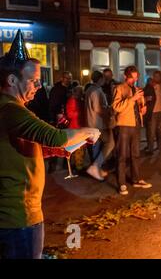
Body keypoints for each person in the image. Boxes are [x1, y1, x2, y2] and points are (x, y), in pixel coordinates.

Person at [0, 30, 100, 259]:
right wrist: (89, 131)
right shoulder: (10, 110)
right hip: (18, 216)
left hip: (17, 214)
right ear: (12, 80)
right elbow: (55, 136)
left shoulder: (10, 109)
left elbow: (21, 145)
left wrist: (53, 149)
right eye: (33, 80)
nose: (38, 86)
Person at [112, 66, 151, 195]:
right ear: (125, 76)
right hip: (123, 126)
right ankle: (122, 183)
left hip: (136, 125)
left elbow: (141, 106)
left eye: (136, 78)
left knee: (136, 154)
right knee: (122, 155)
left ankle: (136, 179)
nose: (134, 80)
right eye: (132, 77)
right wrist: (132, 99)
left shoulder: (137, 89)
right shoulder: (119, 88)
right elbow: (116, 107)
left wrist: (142, 109)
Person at [85, 71, 115, 181]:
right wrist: (108, 111)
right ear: (100, 79)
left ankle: (97, 169)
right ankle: (96, 166)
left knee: (96, 147)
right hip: (98, 124)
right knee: (110, 143)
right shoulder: (96, 91)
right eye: (102, 79)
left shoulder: (89, 90)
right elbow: (98, 108)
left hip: (91, 123)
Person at [48, 70, 73, 172]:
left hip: (67, 119)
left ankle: (65, 164)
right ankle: (52, 165)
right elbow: (52, 105)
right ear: (62, 78)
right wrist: (56, 117)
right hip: (58, 120)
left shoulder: (70, 89)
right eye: (67, 78)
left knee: (67, 142)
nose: (69, 80)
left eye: (70, 78)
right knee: (56, 142)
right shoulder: (56, 89)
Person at [144, 71, 161, 156]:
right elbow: (144, 95)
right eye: (155, 76)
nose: (157, 78)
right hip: (152, 112)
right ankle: (150, 149)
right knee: (151, 132)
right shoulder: (149, 86)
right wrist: (146, 98)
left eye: (158, 76)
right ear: (153, 77)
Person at [66, 86, 86, 173]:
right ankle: (78, 168)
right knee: (78, 149)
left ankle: (77, 166)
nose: (81, 93)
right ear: (75, 92)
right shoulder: (72, 101)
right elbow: (69, 115)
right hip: (75, 128)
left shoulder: (79, 101)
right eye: (80, 92)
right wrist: (80, 112)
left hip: (80, 127)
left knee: (80, 149)